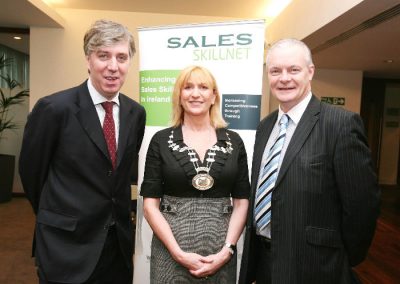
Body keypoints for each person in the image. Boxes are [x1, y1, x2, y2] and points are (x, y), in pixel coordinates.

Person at [239, 38, 380, 284]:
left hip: (315, 266)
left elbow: (362, 205)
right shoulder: (265, 126)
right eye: (275, 71)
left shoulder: (340, 124)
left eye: (294, 69)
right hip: (262, 262)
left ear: (310, 72)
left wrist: (343, 258)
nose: (284, 78)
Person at [19, 19, 146, 284]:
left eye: (121, 57)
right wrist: (57, 217)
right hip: (65, 246)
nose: (113, 66)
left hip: (117, 246)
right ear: (88, 59)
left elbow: (121, 173)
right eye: (103, 56)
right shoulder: (54, 108)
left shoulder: (135, 113)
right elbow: (32, 174)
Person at [141, 65, 250, 283]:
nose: (195, 93)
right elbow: (150, 207)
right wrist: (177, 253)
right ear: (179, 96)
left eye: (203, 87)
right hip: (169, 252)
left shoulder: (234, 141)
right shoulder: (161, 141)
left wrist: (227, 250)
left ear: (213, 96)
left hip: (219, 253)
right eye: (187, 87)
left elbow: (241, 203)